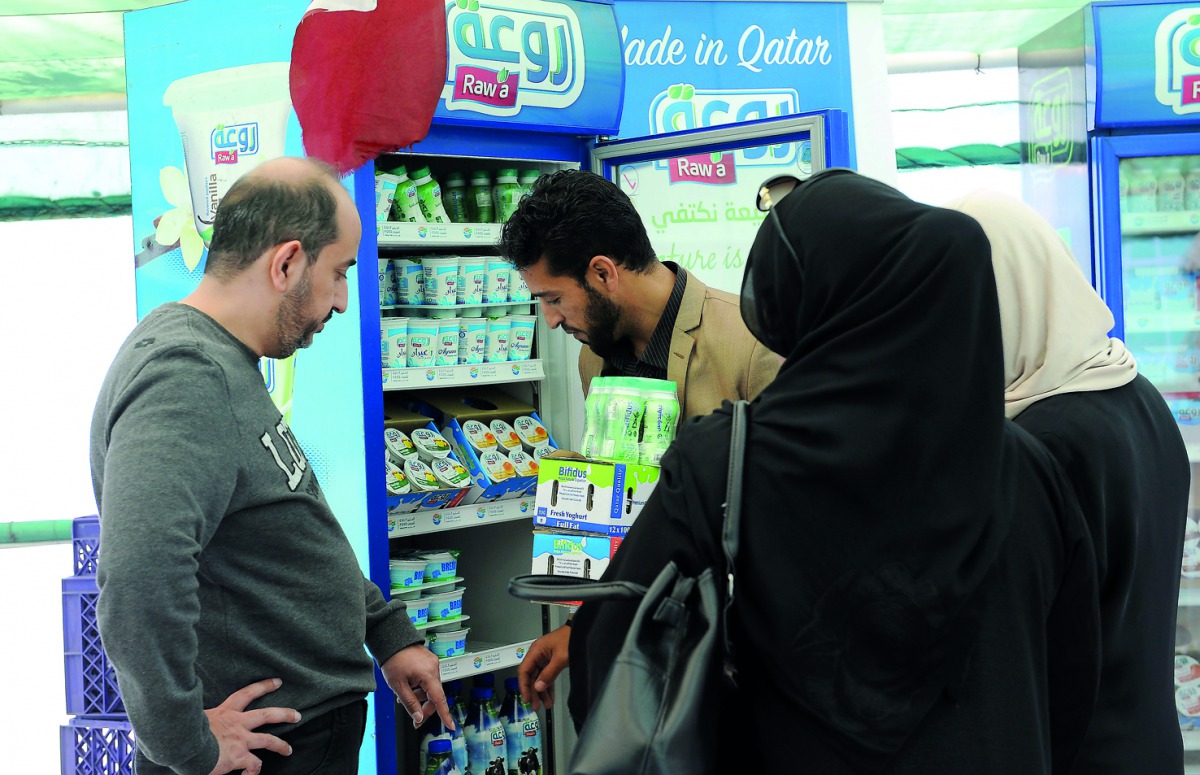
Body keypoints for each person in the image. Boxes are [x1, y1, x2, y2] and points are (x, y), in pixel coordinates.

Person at [567, 169, 1100, 772]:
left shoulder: (725, 466)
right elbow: (1074, 682)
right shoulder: (1027, 468)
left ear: (795, 303)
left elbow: (613, 669)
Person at [90, 157, 452, 775]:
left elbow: (284, 525)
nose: (340, 302)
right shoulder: (186, 375)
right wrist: (186, 744)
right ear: (286, 263)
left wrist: (384, 629)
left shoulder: (223, 361)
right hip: (267, 752)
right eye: (338, 274)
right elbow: (138, 576)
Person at [498, 168, 780, 708]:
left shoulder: (751, 341)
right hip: (634, 666)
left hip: (738, 672)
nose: (551, 321)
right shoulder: (593, 358)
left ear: (603, 273)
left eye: (555, 299)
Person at [950, 190, 1190, 774]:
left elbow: (1021, 652)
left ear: (1008, 294)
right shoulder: (1135, 391)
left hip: (1078, 754)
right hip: (1149, 744)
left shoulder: (1041, 442)